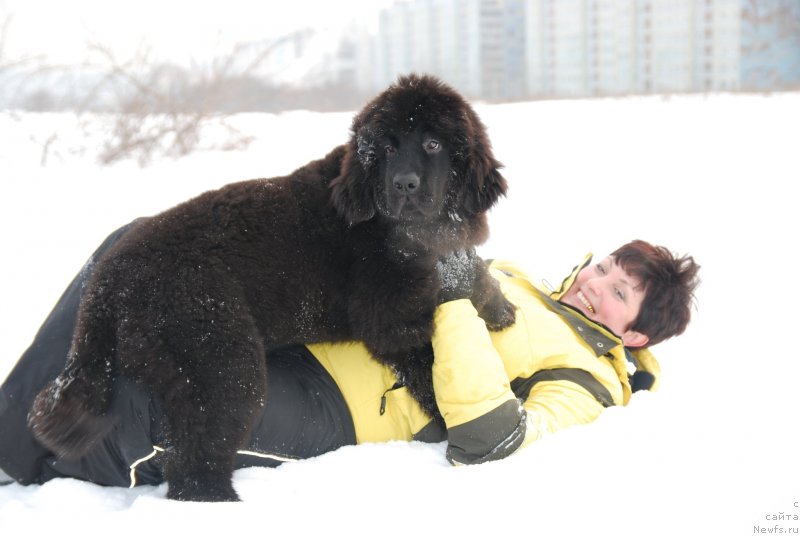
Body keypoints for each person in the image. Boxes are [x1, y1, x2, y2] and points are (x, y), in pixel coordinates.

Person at [0, 220, 700, 489]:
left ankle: (23, 462)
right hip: (327, 327)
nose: (596, 283)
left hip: (338, 405)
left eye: (620, 293)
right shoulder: (516, 278)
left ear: (635, 334)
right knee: (143, 250)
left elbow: (494, 440)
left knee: (147, 404)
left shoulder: (586, 382)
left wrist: (456, 298)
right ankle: (8, 437)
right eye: (607, 267)